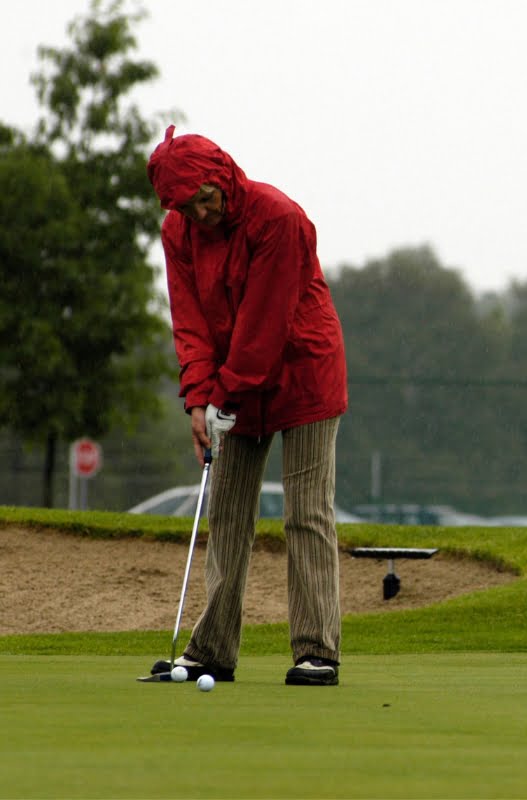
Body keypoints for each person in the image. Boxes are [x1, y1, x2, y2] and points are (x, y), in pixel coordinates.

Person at [145, 125, 348, 686]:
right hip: (235, 382)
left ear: (223, 174)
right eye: (188, 206)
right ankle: (211, 648)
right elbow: (189, 321)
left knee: (306, 514)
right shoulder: (178, 232)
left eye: (206, 196)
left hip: (303, 373)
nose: (202, 212)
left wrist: (223, 396)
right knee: (228, 512)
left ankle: (316, 651)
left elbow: (264, 323)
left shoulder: (277, 218)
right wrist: (197, 398)